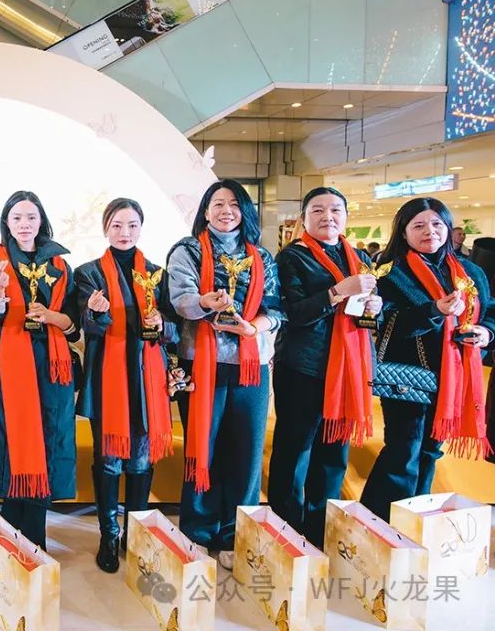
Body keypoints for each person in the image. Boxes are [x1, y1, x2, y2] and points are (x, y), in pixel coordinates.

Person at [166, 179, 284, 570]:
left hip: (251, 365)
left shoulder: (261, 256)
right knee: (203, 447)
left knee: (247, 453)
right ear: (205, 211)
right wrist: (205, 301)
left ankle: (236, 534)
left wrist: (254, 328)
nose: (225, 211)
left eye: (234, 204)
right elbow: (180, 300)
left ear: (244, 211)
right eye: (217, 204)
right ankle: (198, 531)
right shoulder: (186, 251)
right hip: (202, 362)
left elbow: (276, 308)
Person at [360, 198, 494, 520]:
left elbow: (489, 311)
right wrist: (434, 310)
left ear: (447, 228)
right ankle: (382, 520)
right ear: (403, 232)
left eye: (436, 224)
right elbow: (385, 323)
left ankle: (415, 518)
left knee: (431, 451)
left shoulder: (470, 272)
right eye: (418, 225)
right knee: (403, 450)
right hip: (409, 375)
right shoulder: (391, 272)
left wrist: (485, 332)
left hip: (454, 377)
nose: (429, 231)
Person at [0, 191, 80, 550]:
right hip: (5, 362)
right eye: (17, 218)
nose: (25, 224)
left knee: (45, 440)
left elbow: (74, 323)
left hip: (49, 364)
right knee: (10, 440)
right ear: (7, 223)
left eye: (31, 217)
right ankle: (11, 539)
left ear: (41, 221)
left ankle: (35, 541)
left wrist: (53, 317)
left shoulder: (60, 266)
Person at [268, 188, 381, 548]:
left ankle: (322, 528)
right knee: (294, 449)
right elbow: (292, 313)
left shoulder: (359, 257)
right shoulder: (291, 258)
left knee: (334, 452)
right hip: (303, 367)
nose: (327, 216)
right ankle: (285, 529)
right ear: (304, 218)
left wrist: (374, 307)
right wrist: (336, 292)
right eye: (317, 210)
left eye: (335, 210)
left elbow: (365, 311)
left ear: (346, 217)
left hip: (348, 368)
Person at [76, 198, 184, 573]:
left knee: (139, 458)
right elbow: (85, 326)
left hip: (145, 378)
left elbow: (175, 330)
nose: (125, 232)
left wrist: (162, 324)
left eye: (132, 225)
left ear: (141, 228)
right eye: (117, 225)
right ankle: (109, 534)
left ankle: (136, 533)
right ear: (106, 228)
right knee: (108, 460)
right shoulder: (88, 274)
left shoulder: (156, 274)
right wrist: (96, 312)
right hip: (108, 378)